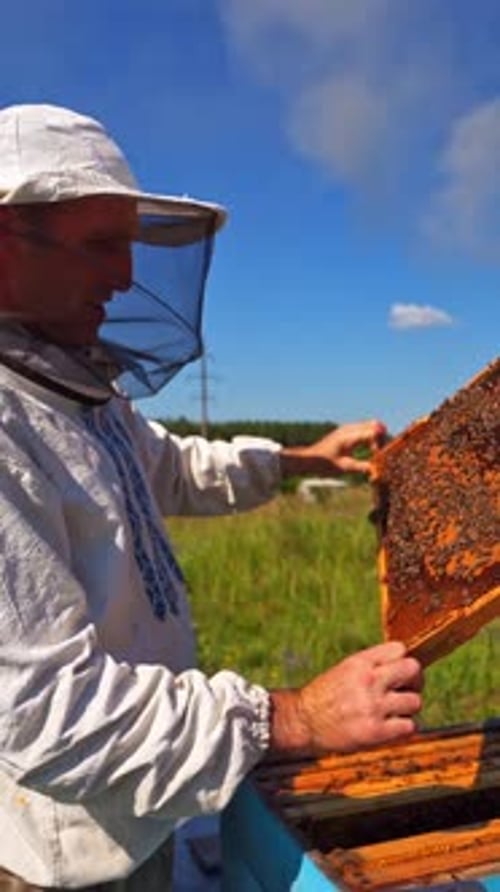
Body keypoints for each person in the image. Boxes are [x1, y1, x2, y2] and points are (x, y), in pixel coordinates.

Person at [0, 103, 423, 891]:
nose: (124, 275)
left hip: (141, 806)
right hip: (62, 858)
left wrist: (302, 456)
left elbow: (174, 467)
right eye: (100, 244)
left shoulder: (80, 395)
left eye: (127, 245)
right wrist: (294, 717)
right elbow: (43, 715)